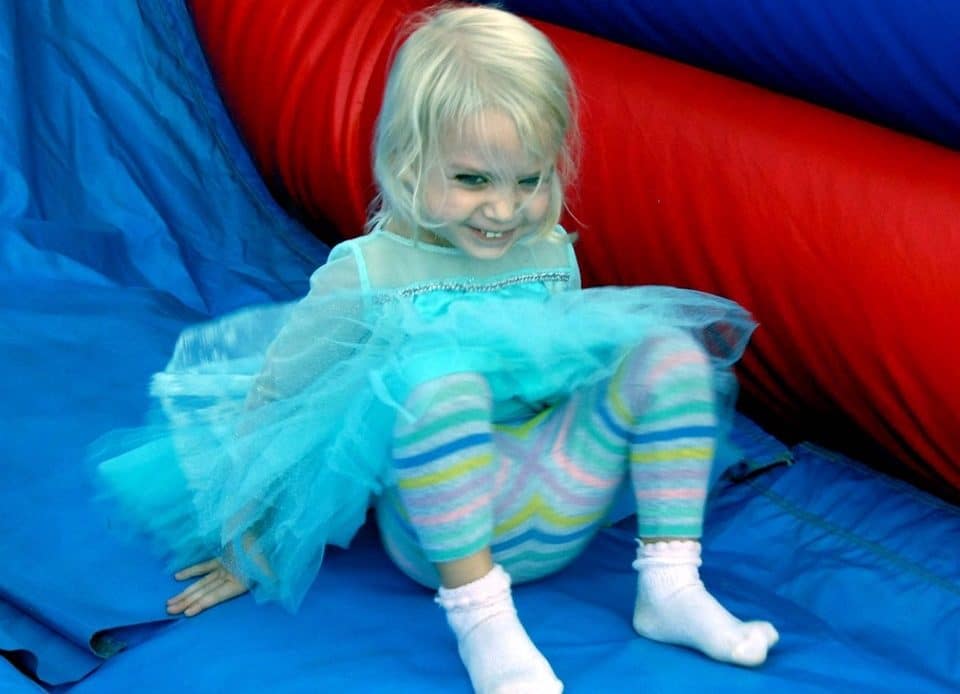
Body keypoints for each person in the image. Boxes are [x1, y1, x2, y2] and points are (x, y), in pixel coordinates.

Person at [94, 4, 777, 692]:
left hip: (562, 496)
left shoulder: (546, 250)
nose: (504, 210)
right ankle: (485, 622)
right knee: (438, 380)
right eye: (473, 179)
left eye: (530, 180)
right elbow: (280, 398)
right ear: (407, 161)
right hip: (444, 534)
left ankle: (670, 587)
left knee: (669, 352)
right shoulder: (368, 273)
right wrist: (248, 535)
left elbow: (563, 374)